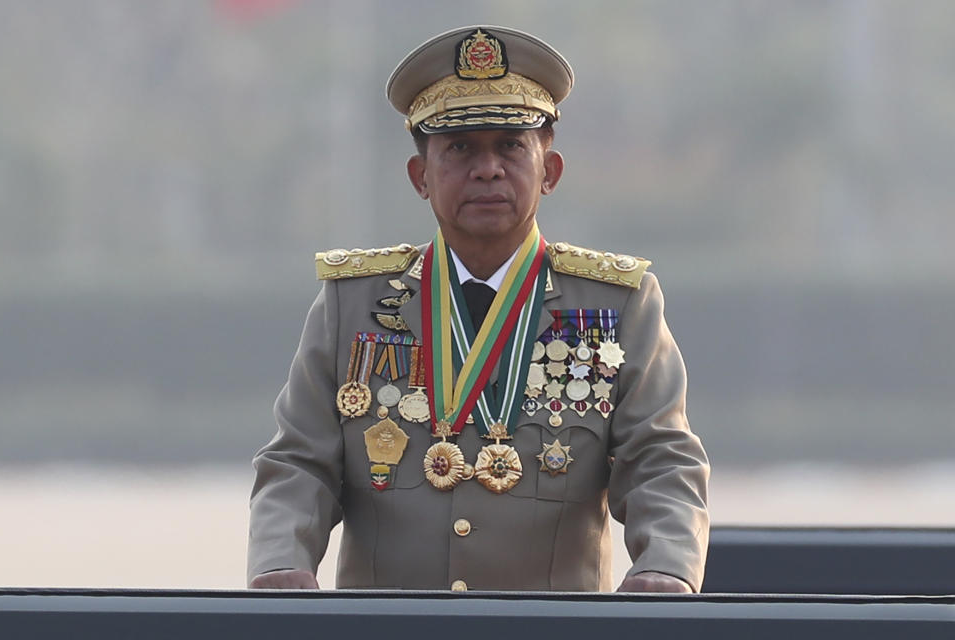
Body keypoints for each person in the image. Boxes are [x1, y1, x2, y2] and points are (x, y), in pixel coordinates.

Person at [248, 25, 709, 593]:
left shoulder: (616, 305)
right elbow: (299, 463)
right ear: (420, 176)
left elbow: (662, 461)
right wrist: (279, 560)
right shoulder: (355, 304)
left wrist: (666, 567)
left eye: (510, 146)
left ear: (550, 171)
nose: (487, 169)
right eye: (461, 148)